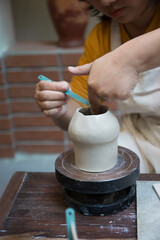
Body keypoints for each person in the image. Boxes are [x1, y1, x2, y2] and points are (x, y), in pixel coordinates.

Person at [35, 0, 160, 173]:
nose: (106, 1)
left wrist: (128, 59)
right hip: (140, 133)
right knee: (102, 175)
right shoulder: (102, 36)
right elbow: (79, 107)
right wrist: (61, 108)